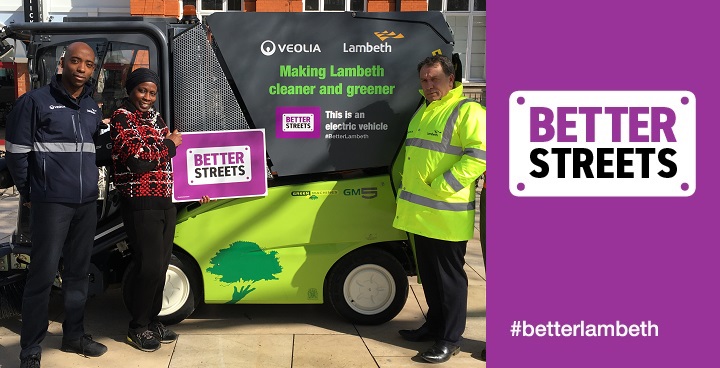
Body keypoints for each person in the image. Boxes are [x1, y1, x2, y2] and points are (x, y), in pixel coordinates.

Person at [5, 42, 108, 368]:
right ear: (62, 64)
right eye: (75, 61)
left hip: (86, 204)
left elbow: (94, 150)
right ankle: (31, 351)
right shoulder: (34, 102)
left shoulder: (91, 108)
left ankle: (74, 336)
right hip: (51, 205)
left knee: (78, 275)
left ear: (93, 69)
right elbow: (16, 153)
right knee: (42, 277)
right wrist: (32, 192)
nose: (81, 68)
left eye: (88, 64)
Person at [393, 54, 486, 364]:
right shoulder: (425, 111)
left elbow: (479, 156)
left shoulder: (467, 110)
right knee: (430, 278)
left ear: (451, 78)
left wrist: (443, 186)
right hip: (421, 213)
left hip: (446, 213)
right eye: (424, 80)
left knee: (449, 280)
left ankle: (450, 338)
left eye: (434, 78)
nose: (429, 85)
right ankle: (434, 325)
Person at [109, 68, 210, 352]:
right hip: (140, 201)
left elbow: (167, 159)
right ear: (131, 90)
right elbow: (139, 161)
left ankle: (152, 321)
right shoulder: (121, 118)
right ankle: (137, 327)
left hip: (165, 199)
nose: (147, 97)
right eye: (142, 91)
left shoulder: (156, 118)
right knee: (149, 265)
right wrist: (168, 143)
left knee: (162, 266)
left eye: (152, 93)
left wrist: (196, 187)